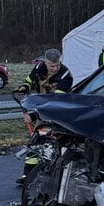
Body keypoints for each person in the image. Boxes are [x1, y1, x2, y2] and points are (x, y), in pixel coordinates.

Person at [14, 48, 74, 185]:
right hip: (41, 110)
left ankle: (58, 175)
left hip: (59, 114)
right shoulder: (39, 68)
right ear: (45, 62)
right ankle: (28, 175)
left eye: (57, 64)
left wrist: (34, 115)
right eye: (52, 65)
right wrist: (24, 87)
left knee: (57, 143)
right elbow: (30, 80)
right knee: (36, 142)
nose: (55, 68)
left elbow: (54, 102)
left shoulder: (66, 76)